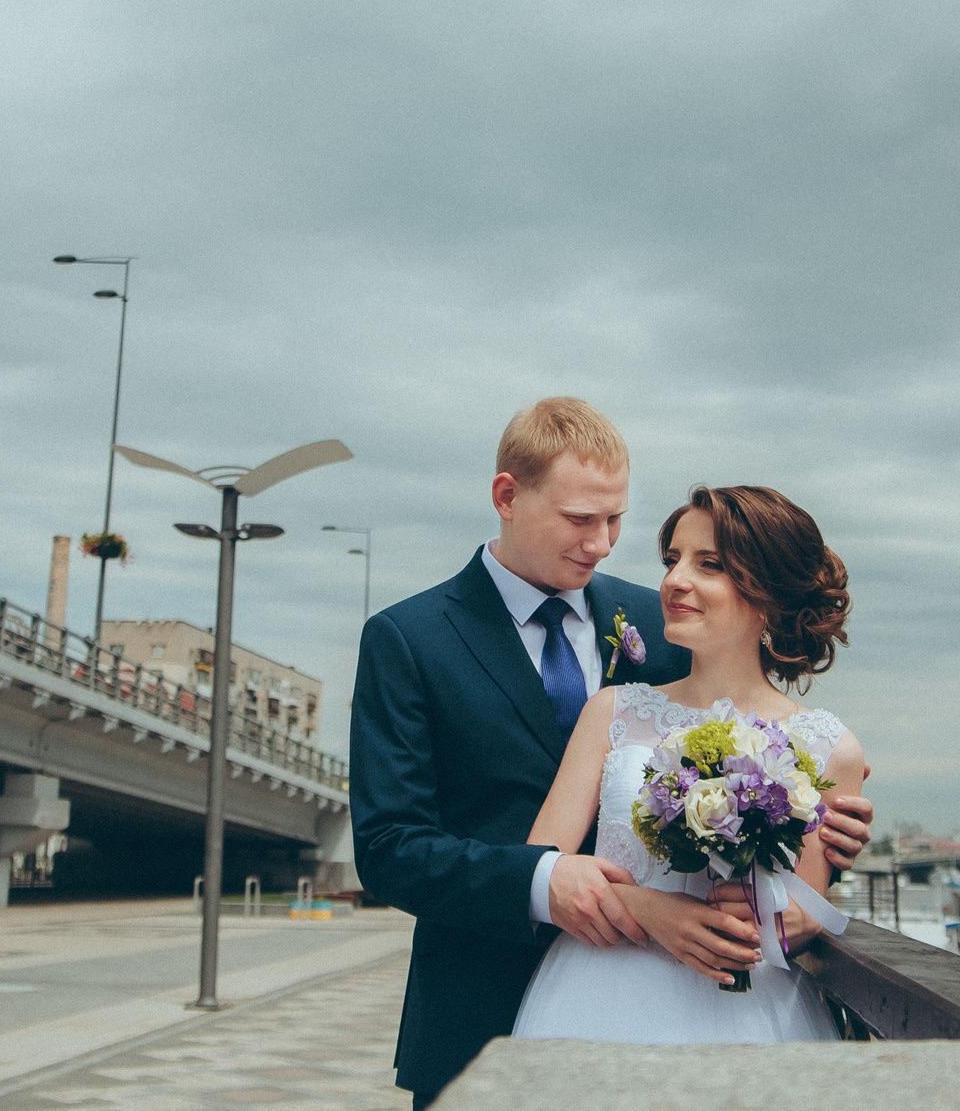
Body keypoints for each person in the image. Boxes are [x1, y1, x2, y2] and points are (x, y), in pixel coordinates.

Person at [352, 400, 874, 1107]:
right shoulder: (409, 638)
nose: (602, 543)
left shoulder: (662, 620)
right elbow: (390, 847)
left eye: (616, 519)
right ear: (507, 496)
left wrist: (817, 827)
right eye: (579, 519)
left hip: (717, 999)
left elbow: (766, 804)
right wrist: (554, 883)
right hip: (489, 1000)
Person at [511, 483, 864, 1043]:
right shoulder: (614, 711)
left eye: (710, 564)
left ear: (766, 592)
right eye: (673, 559)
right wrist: (645, 907)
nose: (675, 580)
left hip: (750, 1017)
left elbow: (796, 917)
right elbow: (540, 865)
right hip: (600, 998)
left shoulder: (830, 747)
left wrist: (787, 916)